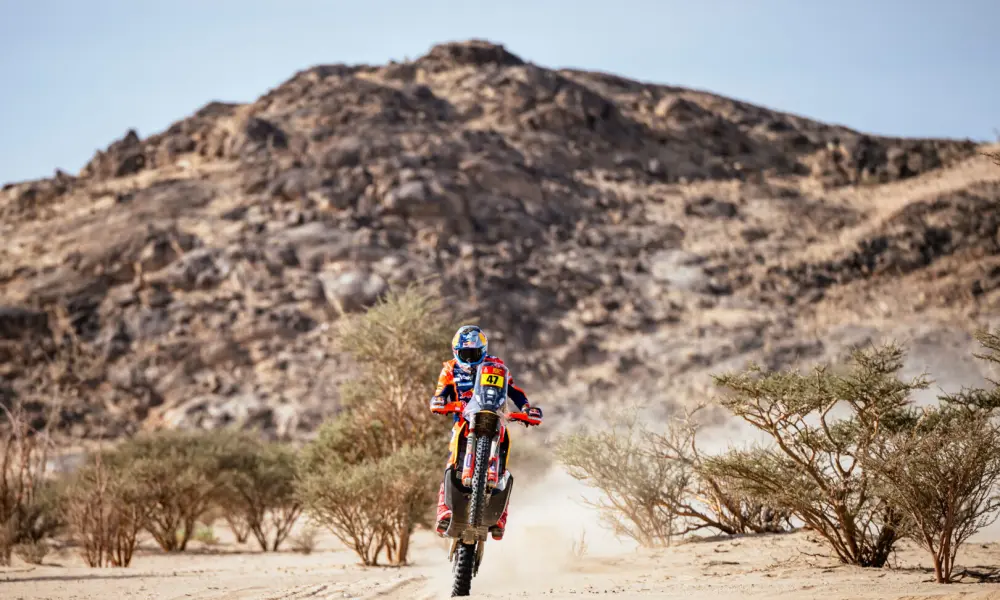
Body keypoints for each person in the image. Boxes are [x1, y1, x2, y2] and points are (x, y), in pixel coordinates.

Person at [429, 325, 543, 541]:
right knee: (451, 462)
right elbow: (440, 393)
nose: (470, 359)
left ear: (483, 350)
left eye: (475, 354)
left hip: (494, 418)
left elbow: (513, 390)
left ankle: (500, 518)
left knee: (504, 463)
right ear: (456, 352)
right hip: (463, 421)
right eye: (465, 354)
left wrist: (526, 408)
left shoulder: (496, 366)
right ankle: (444, 511)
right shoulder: (450, 370)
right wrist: (440, 401)